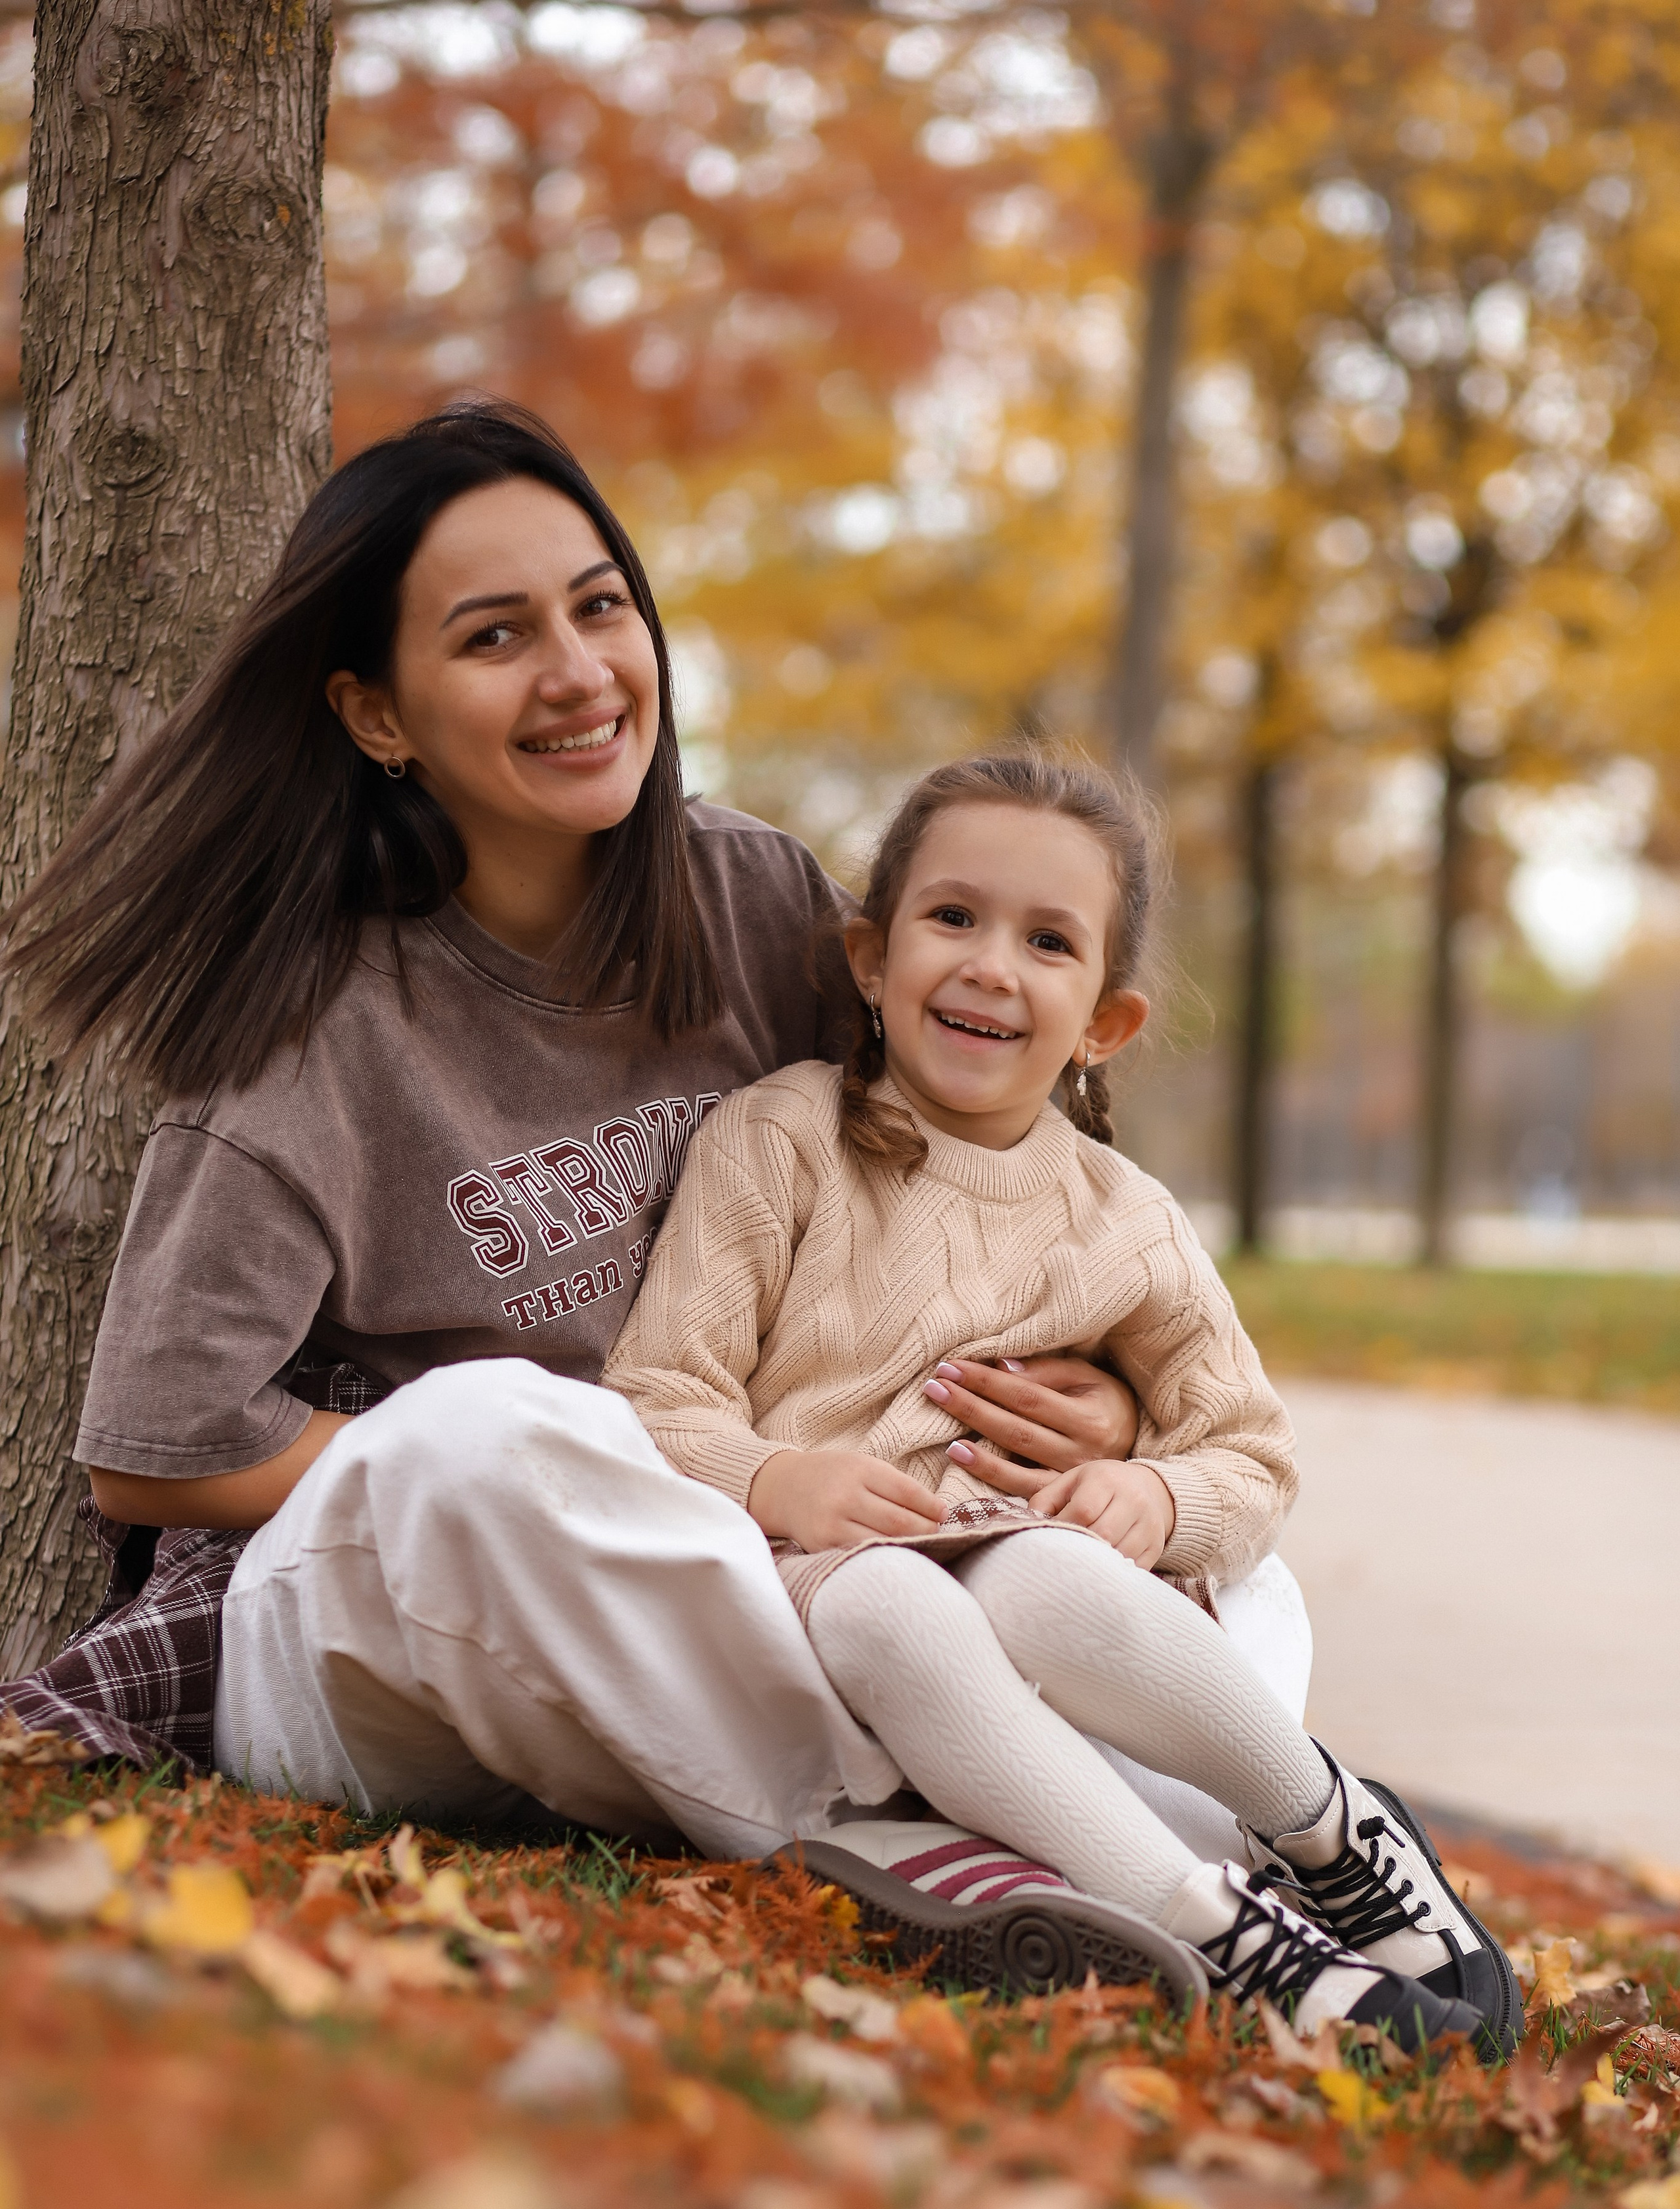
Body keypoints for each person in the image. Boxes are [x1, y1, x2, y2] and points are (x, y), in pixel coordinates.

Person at [3, 399, 1258, 1994]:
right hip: (415, 1620)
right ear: (378, 714)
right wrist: (668, 1486)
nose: (580, 670)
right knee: (500, 1430)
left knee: (1197, 1554)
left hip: (760, 1577)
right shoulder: (304, 1038)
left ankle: (1229, 1831)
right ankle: (915, 1823)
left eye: (600, 605)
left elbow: (947, 1178)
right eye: (494, 636)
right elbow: (151, 1454)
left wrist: (1088, 1410)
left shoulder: (757, 906)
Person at [604, 750, 1522, 2057]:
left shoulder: (1122, 1219)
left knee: (1047, 1574)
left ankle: (1327, 1822)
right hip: (813, 1584)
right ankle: (1207, 1925)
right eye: (951, 917)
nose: (990, 965)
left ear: (1102, 1020)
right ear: (870, 957)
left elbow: (1250, 1454)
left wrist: (1151, 1490)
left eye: (1047, 941)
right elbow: (652, 1390)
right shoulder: (781, 1138)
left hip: (1029, 1578)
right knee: (895, 1595)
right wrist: (772, 1478)